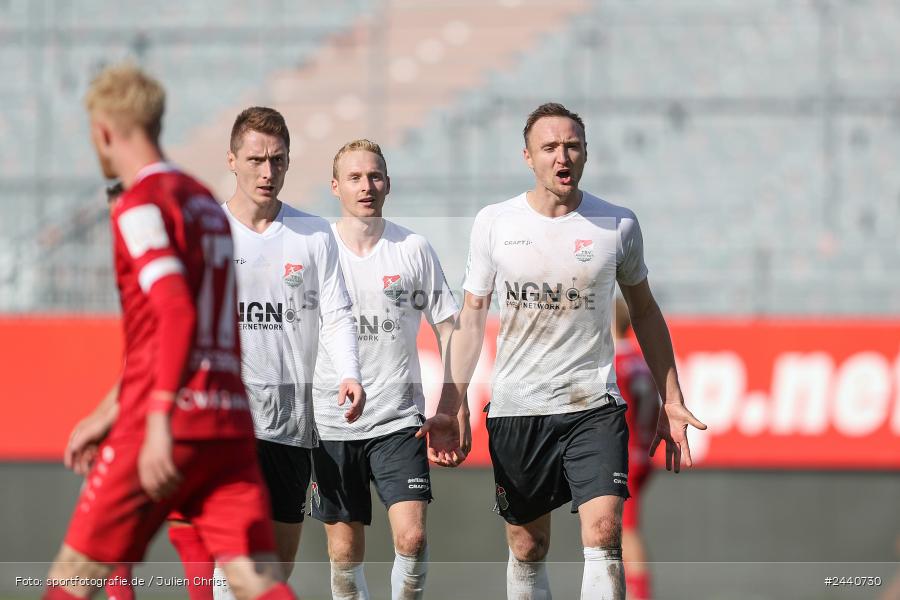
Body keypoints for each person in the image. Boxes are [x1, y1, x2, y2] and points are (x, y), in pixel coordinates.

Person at [419, 102, 706, 600]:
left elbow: (645, 312)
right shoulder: (494, 223)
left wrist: (671, 397)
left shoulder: (617, 224)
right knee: (529, 546)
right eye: (549, 147)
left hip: (593, 406)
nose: (562, 156)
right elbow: (471, 317)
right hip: (517, 408)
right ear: (527, 157)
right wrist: (452, 401)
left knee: (604, 535)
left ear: (586, 153)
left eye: (572, 146)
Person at [46, 64, 296, 600]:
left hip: (165, 419)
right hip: (228, 420)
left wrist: (153, 415)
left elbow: (176, 313)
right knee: (259, 582)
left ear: (105, 131)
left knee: (71, 579)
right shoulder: (206, 202)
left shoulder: (139, 205)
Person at [207, 106, 366, 599]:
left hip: (292, 424)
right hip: (228, 419)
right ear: (232, 160)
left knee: (275, 569)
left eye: (278, 160)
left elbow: (338, 313)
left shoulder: (314, 234)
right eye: (256, 159)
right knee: (234, 560)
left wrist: (350, 373)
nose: (267, 172)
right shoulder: (209, 229)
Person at [310, 140, 466, 600]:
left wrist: (456, 407)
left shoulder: (413, 249)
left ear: (388, 184)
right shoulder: (317, 249)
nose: (366, 186)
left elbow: (450, 329)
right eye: (355, 177)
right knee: (344, 553)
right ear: (335, 186)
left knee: (412, 538)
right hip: (332, 420)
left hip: (399, 421)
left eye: (375, 176)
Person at [613, 296, 660, 600]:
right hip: (641, 452)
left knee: (625, 532)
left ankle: (639, 595)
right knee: (620, 531)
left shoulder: (615, 364)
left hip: (624, 456)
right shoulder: (640, 361)